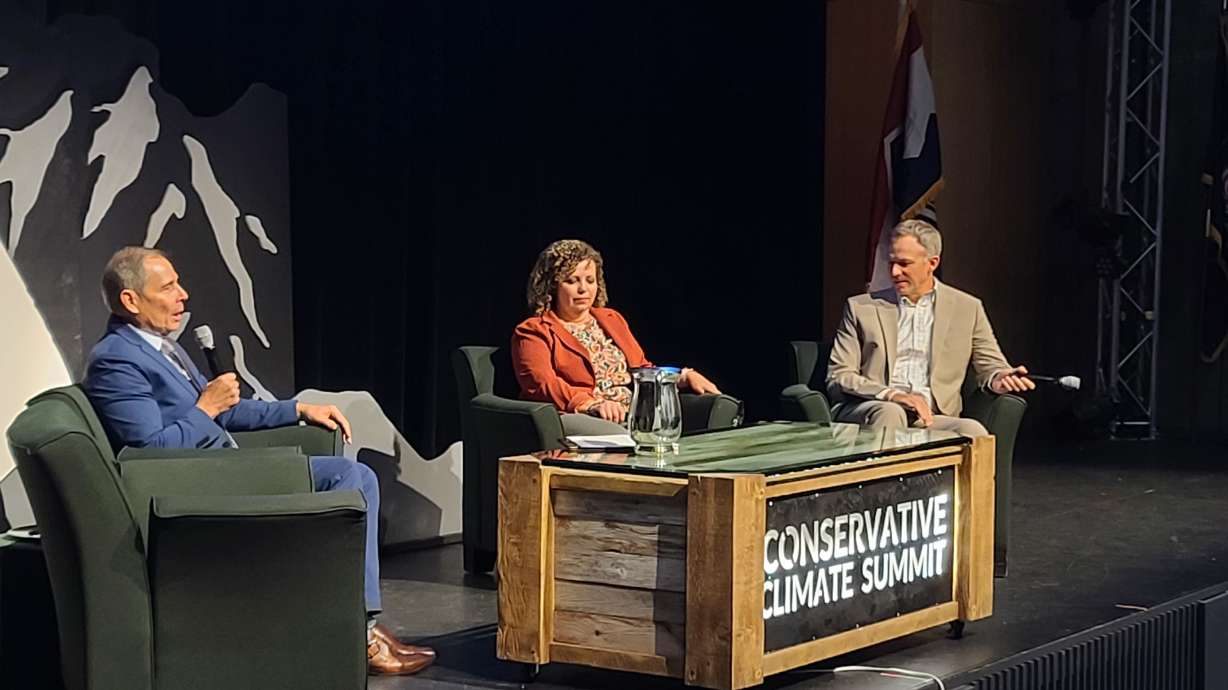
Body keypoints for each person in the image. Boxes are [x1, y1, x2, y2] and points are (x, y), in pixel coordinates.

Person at [82, 247, 434, 676]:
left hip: (226, 469)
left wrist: (298, 409)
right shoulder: (117, 360)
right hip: (199, 488)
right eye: (169, 287)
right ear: (131, 300)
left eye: (178, 283)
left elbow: (228, 410)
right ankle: (358, 634)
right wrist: (206, 407)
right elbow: (148, 452)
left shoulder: (159, 347)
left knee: (357, 476)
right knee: (349, 477)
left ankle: (358, 625)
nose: (183, 295)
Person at [827, 220, 1034, 435]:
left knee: (974, 432)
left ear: (932, 263)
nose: (895, 272)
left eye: (904, 263)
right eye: (891, 263)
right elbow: (839, 374)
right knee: (890, 412)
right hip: (874, 408)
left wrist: (999, 377)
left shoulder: (967, 308)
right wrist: (892, 395)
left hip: (931, 417)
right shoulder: (861, 308)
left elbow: (990, 364)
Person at [512, 239, 721, 435]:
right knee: (623, 436)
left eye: (590, 280)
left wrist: (680, 377)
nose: (583, 289)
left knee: (709, 411)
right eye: (571, 281)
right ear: (552, 286)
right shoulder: (533, 330)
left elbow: (643, 368)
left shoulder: (612, 319)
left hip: (632, 410)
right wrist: (592, 404)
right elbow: (542, 385)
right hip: (576, 414)